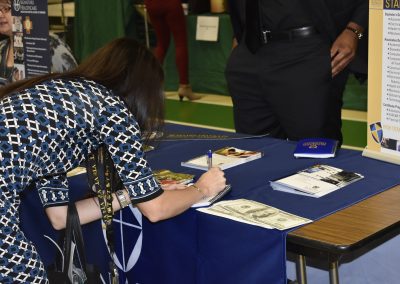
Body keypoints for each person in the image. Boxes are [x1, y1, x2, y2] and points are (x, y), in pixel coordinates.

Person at [0, 37, 226, 283]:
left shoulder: (62, 95)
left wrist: (132, 194)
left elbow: (60, 217)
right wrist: (201, 188)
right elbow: (156, 210)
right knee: (26, 275)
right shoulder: (112, 110)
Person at [225, 0, 368, 145]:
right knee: (252, 151)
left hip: (305, 53)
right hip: (248, 53)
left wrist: (355, 31)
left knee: (314, 154)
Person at [0, 0, 77, 84]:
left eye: (6, 8)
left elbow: (74, 86)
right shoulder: (2, 46)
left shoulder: (52, 46)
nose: (0, 15)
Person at [144, 0, 201, 101]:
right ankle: (184, 86)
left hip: (151, 4)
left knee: (161, 44)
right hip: (170, 3)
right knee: (180, 43)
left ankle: (153, 88)